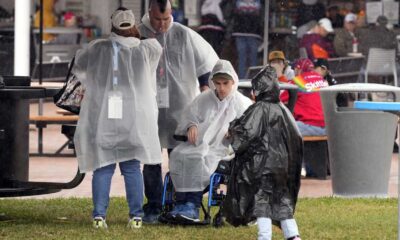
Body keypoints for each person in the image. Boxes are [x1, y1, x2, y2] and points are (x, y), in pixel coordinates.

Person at [72, 8, 163, 229]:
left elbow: (79, 64)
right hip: (134, 119)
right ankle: (136, 216)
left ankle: (99, 216)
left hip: (106, 117)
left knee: (103, 166)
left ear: (111, 25)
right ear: (133, 26)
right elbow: (151, 47)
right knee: (132, 167)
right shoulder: (148, 49)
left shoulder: (98, 49)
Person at [137, 0, 219, 223]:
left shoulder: (184, 34)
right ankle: (154, 205)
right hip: (149, 107)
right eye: (157, 19)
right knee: (151, 159)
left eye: (166, 19)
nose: (162, 25)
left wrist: (204, 91)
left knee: (182, 157)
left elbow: (206, 65)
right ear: (149, 13)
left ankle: (186, 204)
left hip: (181, 107)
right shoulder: (138, 34)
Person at [165, 59, 252, 223]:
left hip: (223, 150)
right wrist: (191, 125)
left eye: (225, 83)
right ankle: (181, 203)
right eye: (217, 83)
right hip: (198, 144)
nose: (221, 88)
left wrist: (235, 132)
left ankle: (192, 205)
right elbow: (190, 116)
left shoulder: (241, 103)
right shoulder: (204, 99)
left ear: (233, 81)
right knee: (179, 154)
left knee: (201, 159)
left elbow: (251, 127)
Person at [224, 66, 303, 240]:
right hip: (282, 167)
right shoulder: (283, 110)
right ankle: (293, 235)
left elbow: (247, 132)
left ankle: (264, 236)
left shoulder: (259, 108)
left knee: (262, 202)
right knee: (282, 201)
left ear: (258, 89)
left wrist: (232, 130)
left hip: (262, 166)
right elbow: (296, 137)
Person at [281, 58, 328, 136]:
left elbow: (277, 99)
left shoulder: (297, 81)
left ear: (298, 69)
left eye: (295, 69)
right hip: (327, 127)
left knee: (277, 129)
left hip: (308, 126)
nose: (294, 72)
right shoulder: (322, 80)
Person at [224, 0, 264, 78]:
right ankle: (243, 80)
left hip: (253, 32)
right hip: (241, 32)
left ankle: (253, 80)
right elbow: (230, 13)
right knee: (243, 58)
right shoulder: (236, 2)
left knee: (252, 59)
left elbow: (263, 15)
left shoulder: (259, 2)